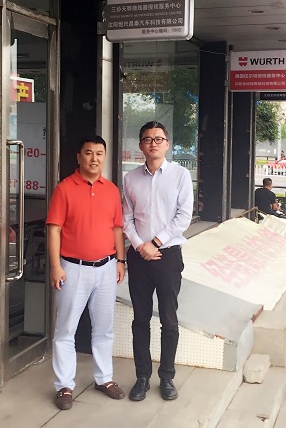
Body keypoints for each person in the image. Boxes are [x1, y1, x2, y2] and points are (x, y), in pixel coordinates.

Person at [46, 135, 126, 411]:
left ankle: (104, 379)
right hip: (72, 269)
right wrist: (55, 266)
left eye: (99, 153)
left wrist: (120, 260)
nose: (94, 158)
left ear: (105, 157)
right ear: (79, 157)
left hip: (106, 268)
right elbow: (54, 229)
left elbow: (117, 228)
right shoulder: (64, 188)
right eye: (89, 153)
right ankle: (64, 386)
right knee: (65, 330)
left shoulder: (111, 190)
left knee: (103, 328)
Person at [123, 121, 194, 402]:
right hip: (139, 257)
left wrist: (154, 242)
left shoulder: (180, 175)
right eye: (147, 139)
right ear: (141, 145)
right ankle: (142, 377)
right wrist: (139, 245)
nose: (153, 143)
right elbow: (126, 218)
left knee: (168, 319)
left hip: (167, 256)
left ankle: (167, 377)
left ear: (167, 144)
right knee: (140, 319)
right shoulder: (130, 178)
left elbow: (183, 217)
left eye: (158, 139)